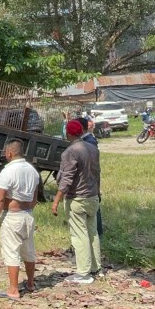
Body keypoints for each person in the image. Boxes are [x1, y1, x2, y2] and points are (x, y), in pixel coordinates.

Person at [52, 120, 101, 284]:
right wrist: (98, 193)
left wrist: (56, 200)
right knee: (92, 233)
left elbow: (66, 179)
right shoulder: (93, 148)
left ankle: (83, 273)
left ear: (69, 134)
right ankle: (96, 268)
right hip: (92, 197)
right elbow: (97, 173)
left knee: (79, 236)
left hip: (77, 198)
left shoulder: (70, 151)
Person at [0, 139, 39, 300]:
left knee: (12, 251)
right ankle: (31, 283)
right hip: (28, 215)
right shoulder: (33, 171)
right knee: (28, 250)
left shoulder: (8, 171)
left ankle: (13, 289)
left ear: (9, 153)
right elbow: (34, 198)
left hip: (13, 216)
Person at [77, 117, 106, 238]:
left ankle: (97, 234)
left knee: (93, 210)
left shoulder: (89, 142)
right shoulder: (88, 140)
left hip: (89, 179)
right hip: (90, 180)